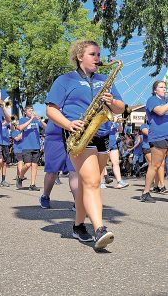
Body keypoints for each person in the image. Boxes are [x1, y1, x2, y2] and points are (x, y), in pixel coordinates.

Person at [45, 40, 125, 250]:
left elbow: (120, 108)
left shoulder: (104, 79)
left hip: (102, 133)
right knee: (91, 182)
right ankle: (100, 228)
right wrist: (68, 123)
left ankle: (79, 226)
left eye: (99, 54)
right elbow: (51, 110)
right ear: (80, 56)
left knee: (89, 183)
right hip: (79, 135)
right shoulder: (65, 80)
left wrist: (112, 102)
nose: (98, 59)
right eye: (93, 54)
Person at [141, 80, 168, 203]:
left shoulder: (165, 101)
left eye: (165, 87)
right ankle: (146, 192)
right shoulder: (152, 100)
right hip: (159, 136)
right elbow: (160, 111)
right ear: (155, 90)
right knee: (156, 165)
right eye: (161, 87)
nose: (164, 89)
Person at [16, 106, 47, 190]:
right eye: (30, 111)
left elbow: (46, 128)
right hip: (27, 146)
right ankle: (20, 176)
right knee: (27, 164)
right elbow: (20, 128)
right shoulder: (22, 119)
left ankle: (32, 185)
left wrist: (40, 120)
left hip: (36, 145)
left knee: (34, 165)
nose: (32, 112)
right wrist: (30, 120)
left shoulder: (36, 120)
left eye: (32, 110)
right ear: (26, 112)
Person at [108, 117, 129, 188]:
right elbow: (106, 130)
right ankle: (101, 181)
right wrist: (113, 122)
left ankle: (120, 182)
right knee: (102, 164)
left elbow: (120, 130)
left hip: (113, 144)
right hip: (104, 143)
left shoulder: (114, 123)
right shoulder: (104, 121)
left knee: (116, 163)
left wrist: (119, 122)